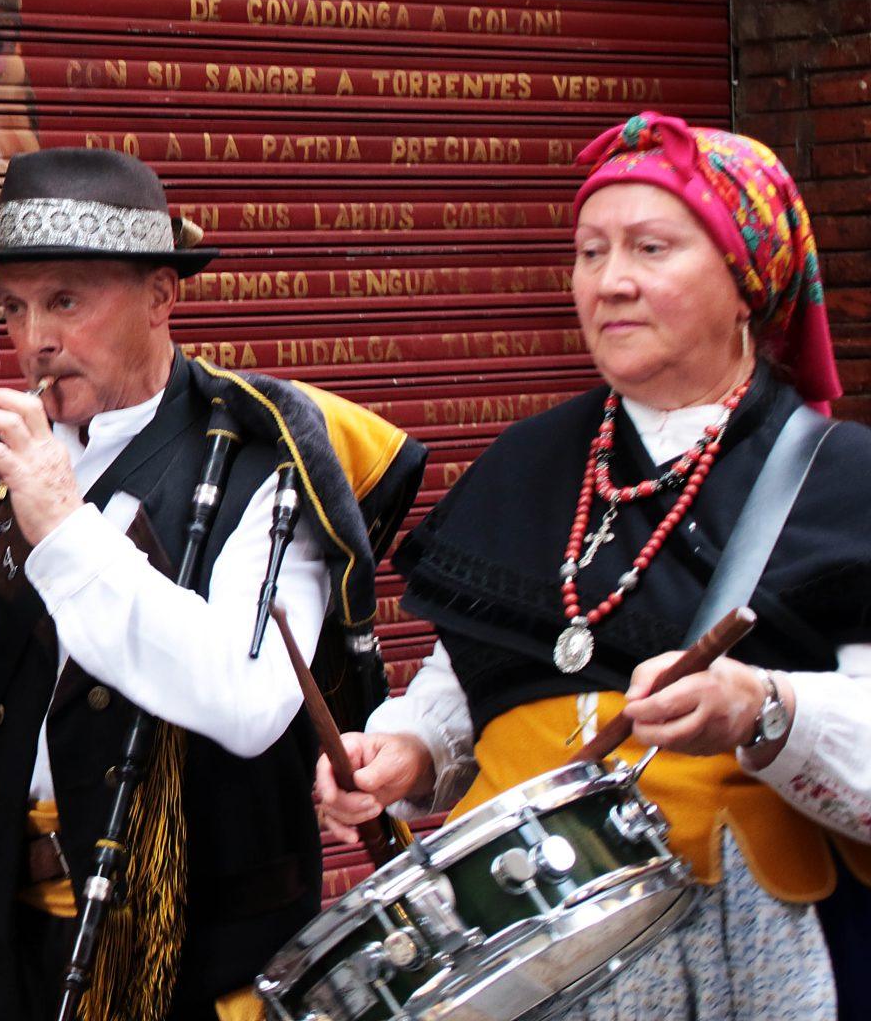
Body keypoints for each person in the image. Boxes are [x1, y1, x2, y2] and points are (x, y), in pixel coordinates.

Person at [0, 147, 427, 1021]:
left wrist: (63, 524)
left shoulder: (265, 462)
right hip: (23, 945)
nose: (35, 338)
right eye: (15, 307)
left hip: (211, 960)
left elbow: (249, 703)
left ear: (160, 296)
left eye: (66, 300)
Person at [316, 113, 871, 1020]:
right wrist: (408, 751)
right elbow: (477, 672)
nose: (610, 281)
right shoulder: (527, 463)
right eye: (589, 252)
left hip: (746, 947)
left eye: (651, 248)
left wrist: (764, 709)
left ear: (745, 284)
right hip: (514, 944)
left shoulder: (844, 484)